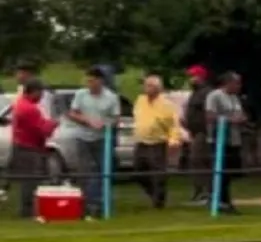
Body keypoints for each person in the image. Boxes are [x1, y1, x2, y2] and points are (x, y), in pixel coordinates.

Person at [59, 66, 121, 219]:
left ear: (100, 81)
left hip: (102, 139)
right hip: (82, 138)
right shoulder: (81, 94)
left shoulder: (111, 97)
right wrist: (86, 120)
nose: (89, 83)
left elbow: (116, 118)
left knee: (101, 172)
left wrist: (105, 124)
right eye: (87, 80)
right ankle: (85, 204)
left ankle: (99, 204)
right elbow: (72, 113)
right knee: (85, 171)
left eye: (92, 81)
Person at [10, 79, 58, 220]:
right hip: (29, 148)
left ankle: (27, 209)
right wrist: (53, 124)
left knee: (27, 179)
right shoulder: (30, 109)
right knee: (30, 180)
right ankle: (27, 210)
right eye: (40, 92)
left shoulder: (20, 104)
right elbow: (42, 130)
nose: (42, 96)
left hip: (21, 145)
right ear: (34, 91)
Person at [132, 74, 182, 208]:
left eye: (150, 86)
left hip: (157, 143)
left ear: (158, 88)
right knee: (138, 172)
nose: (146, 88)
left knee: (158, 174)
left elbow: (174, 124)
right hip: (141, 141)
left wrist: (174, 140)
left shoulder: (166, 105)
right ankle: (153, 193)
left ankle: (159, 201)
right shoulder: (140, 100)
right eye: (146, 85)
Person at [206, 72, 247, 214]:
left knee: (231, 172)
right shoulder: (215, 96)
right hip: (219, 139)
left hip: (234, 140)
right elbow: (210, 116)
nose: (239, 86)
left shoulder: (235, 98)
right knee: (220, 171)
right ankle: (220, 200)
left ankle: (222, 198)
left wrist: (242, 119)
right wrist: (229, 120)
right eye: (237, 83)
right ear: (228, 83)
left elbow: (240, 114)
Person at [183, 64, 213, 204]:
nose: (191, 79)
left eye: (193, 76)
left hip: (203, 133)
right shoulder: (195, 93)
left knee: (198, 161)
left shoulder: (206, 93)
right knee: (196, 161)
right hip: (195, 133)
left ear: (201, 77)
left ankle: (204, 193)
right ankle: (201, 192)